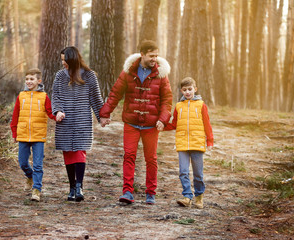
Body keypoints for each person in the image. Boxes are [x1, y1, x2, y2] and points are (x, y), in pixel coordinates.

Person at [99, 40, 173, 205]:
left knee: (151, 159)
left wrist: (163, 119)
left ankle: (150, 193)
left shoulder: (161, 74)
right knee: (129, 156)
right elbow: (115, 93)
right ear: (142, 54)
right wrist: (105, 113)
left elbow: (167, 100)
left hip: (151, 125)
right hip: (131, 122)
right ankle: (127, 192)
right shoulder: (128, 71)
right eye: (151, 55)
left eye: (156, 55)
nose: (155, 59)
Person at [52, 46, 104, 202]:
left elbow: (95, 97)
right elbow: (56, 96)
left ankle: (79, 187)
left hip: (82, 120)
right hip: (65, 120)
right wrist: (58, 111)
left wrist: (102, 116)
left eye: (65, 60)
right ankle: (72, 187)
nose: (63, 63)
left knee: (80, 151)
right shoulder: (60, 76)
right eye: (61, 60)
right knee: (68, 152)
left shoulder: (89, 76)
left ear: (72, 59)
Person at [163, 77, 213, 209]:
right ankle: (187, 196)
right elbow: (174, 124)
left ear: (195, 89)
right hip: (182, 143)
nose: (187, 92)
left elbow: (207, 124)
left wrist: (210, 141)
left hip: (197, 143)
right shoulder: (178, 106)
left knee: (198, 173)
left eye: (190, 89)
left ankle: (199, 197)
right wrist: (162, 126)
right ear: (181, 91)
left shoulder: (201, 105)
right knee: (183, 171)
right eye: (185, 90)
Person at [10, 68, 56, 202]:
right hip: (23, 134)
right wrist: (14, 132)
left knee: (38, 165)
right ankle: (30, 176)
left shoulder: (44, 97)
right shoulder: (21, 96)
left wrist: (58, 116)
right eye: (27, 79)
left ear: (39, 81)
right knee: (23, 162)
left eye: (32, 79)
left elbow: (50, 112)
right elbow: (15, 116)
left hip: (38, 135)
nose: (29, 81)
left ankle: (36, 189)